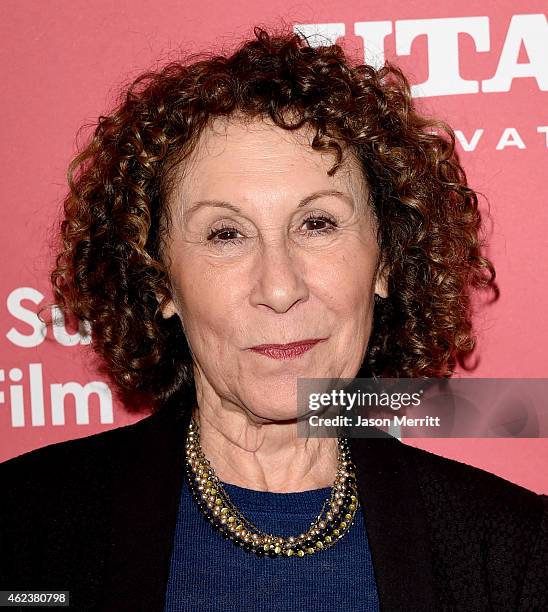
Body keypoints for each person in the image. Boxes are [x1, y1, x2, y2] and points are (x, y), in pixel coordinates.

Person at [1, 26, 546, 612]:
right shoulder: (24, 529)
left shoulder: (512, 551)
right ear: (161, 281)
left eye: (318, 224)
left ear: (385, 260)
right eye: (226, 234)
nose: (280, 288)